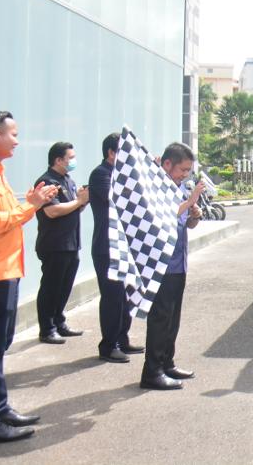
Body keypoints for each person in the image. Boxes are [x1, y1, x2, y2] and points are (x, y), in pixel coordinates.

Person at [0, 111, 58, 443]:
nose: (17, 140)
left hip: (4, 273)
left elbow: (5, 217)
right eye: (13, 134)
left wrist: (29, 202)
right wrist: (33, 205)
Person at [140, 142, 205, 391]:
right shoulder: (154, 188)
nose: (185, 175)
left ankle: (167, 362)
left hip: (179, 263)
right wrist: (190, 202)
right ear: (167, 164)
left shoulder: (179, 188)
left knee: (172, 319)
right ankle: (152, 371)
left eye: (188, 171)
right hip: (161, 265)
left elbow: (185, 224)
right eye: (182, 170)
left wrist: (194, 214)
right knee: (160, 318)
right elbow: (162, 217)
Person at [89, 133, 143, 363]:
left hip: (124, 246)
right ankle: (108, 345)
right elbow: (119, 198)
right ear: (111, 153)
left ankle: (122, 339)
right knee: (112, 297)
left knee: (125, 296)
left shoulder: (120, 175)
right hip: (106, 247)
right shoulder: (101, 174)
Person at [33, 142, 89, 344]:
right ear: (58, 160)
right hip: (54, 244)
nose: (73, 161)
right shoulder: (47, 182)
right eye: (70, 158)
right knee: (51, 286)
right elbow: (52, 211)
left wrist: (83, 201)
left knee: (64, 286)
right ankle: (47, 329)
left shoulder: (68, 180)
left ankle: (59, 321)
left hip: (71, 242)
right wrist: (79, 202)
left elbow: (73, 208)